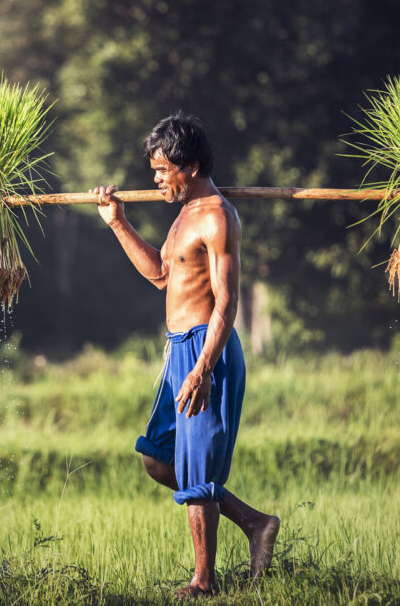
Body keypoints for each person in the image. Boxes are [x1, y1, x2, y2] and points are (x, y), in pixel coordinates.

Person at [90, 112, 279, 598]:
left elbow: (227, 302)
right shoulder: (184, 215)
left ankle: (204, 582)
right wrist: (118, 224)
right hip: (179, 350)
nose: (155, 181)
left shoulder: (216, 216)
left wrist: (203, 367)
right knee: (157, 458)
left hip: (205, 349)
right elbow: (160, 274)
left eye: (161, 170)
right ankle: (255, 523)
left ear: (190, 166)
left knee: (197, 470)